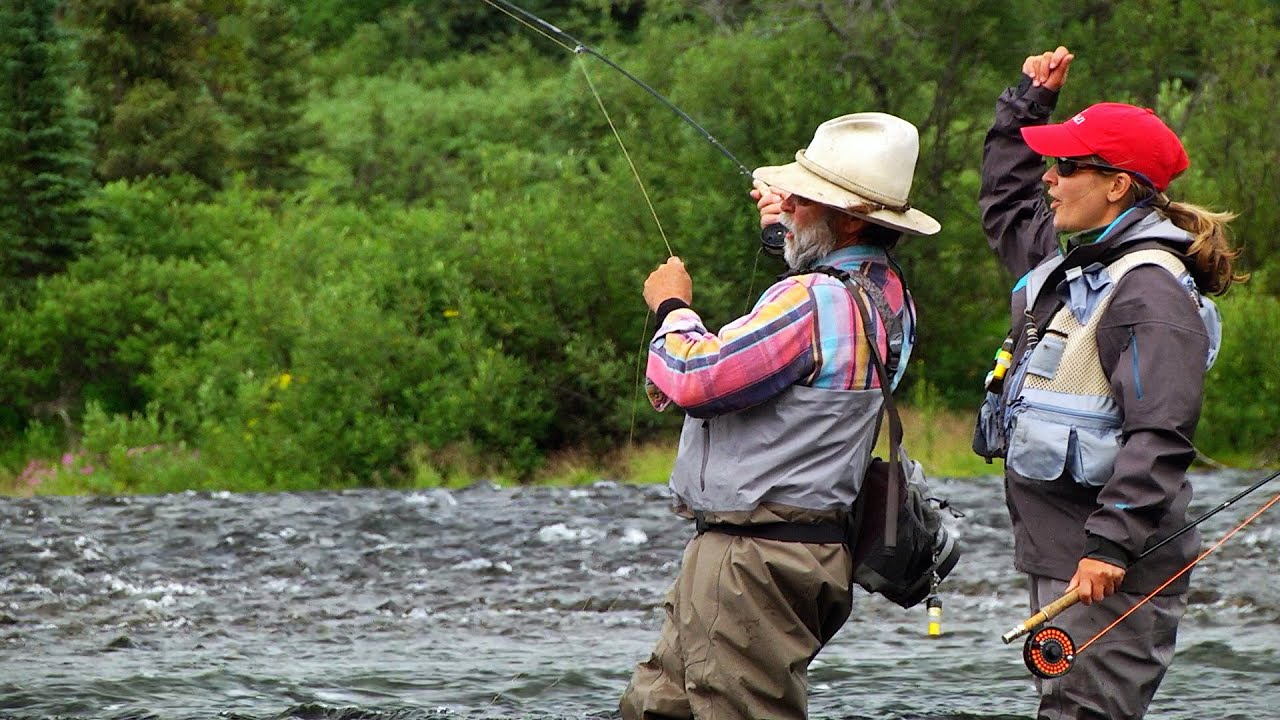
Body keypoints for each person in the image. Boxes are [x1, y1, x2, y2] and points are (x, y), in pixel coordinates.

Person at [619, 112, 940, 720]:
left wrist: (671, 306)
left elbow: (694, 378)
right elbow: (815, 307)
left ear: (847, 218)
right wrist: (791, 225)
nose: (787, 204)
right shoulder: (892, 296)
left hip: (751, 562)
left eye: (805, 199)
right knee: (657, 707)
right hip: (812, 551)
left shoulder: (810, 301)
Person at [975, 46, 1247, 719]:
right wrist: (1027, 102)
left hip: (1106, 566)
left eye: (1066, 166)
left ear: (1118, 184)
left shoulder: (1149, 293)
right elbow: (1006, 204)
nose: (1050, 178)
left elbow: (1161, 434)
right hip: (1063, 556)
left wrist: (1108, 547)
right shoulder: (1074, 267)